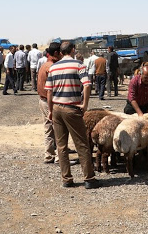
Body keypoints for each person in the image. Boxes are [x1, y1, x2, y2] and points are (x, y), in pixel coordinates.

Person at [45, 41, 99, 189]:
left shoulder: (53, 67)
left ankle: (67, 179)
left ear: (61, 53)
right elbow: (87, 85)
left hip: (56, 108)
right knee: (82, 144)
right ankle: (89, 178)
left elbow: (49, 91)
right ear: (73, 50)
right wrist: (85, 105)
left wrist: (50, 110)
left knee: (61, 146)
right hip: (72, 108)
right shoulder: (78, 65)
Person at [37, 42, 61, 163]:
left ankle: (49, 155)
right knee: (57, 128)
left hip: (43, 100)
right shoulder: (52, 67)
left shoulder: (44, 65)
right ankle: (58, 156)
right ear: (56, 53)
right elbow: (51, 90)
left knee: (48, 128)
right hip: (49, 101)